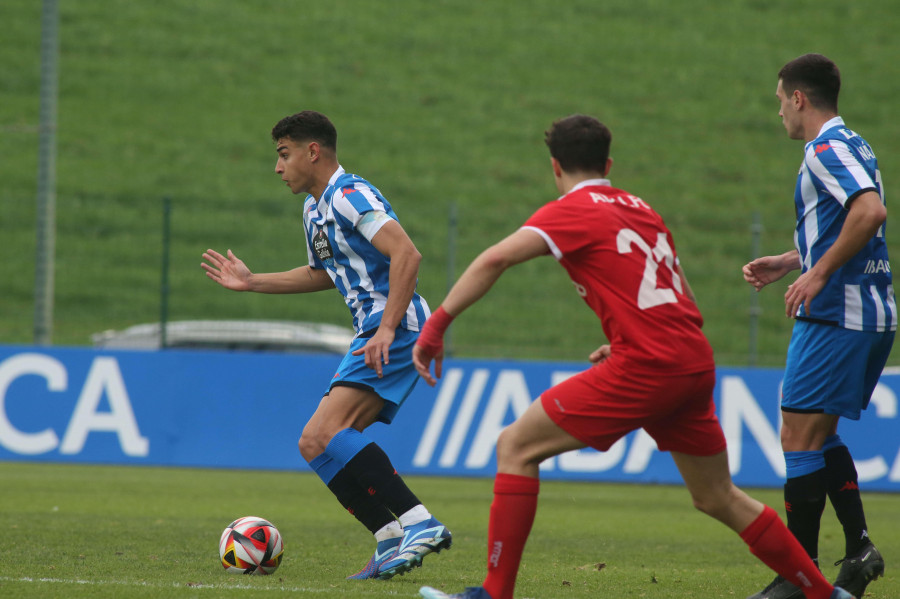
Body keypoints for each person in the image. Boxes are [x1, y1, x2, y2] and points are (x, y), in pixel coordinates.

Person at [412, 114, 855, 599]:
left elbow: (495, 257)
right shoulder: (642, 209)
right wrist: (629, 335)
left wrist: (436, 328)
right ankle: (825, 595)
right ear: (609, 163)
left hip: (648, 364)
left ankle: (494, 593)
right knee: (717, 496)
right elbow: (678, 294)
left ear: (555, 167)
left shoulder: (571, 209)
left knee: (516, 447)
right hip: (690, 358)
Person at [201, 110, 451, 580]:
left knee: (329, 433)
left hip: (393, 327)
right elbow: (322, 273)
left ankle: (419, 522)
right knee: (314, 442)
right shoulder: (314, 208)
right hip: (376, 329)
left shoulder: (350, 194)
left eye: (284, 153)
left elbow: (407, 254)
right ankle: (389, 537)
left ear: (312, 152)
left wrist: (385, 329)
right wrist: (253, 281)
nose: (278, 167)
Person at [741, 54, 892, 599]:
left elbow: (870, 213)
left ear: (798, 98)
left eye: (780, 99)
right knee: (817, 434)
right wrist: (794, 259)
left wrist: (818, 274)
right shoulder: (855, 143)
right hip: (866, 310)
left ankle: (796, 577)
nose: (779, 109)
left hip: (838, 314)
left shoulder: (824, 149)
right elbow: (848, 221)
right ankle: (859, 549)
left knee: (797, 436)